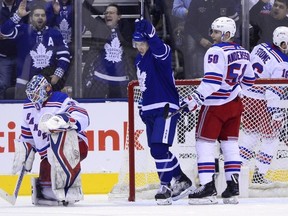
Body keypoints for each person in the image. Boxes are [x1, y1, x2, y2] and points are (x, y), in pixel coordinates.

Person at [182, 17, 255, 205]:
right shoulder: (244, 52)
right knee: (230, 146)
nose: (212, 35)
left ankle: (207, 187)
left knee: (204, 144)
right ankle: (232, 187)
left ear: (227, 34)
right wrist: (233, 90)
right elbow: (249, 82)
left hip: (215, 106)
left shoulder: (215, 51)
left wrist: (194, 99)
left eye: (216, 32)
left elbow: (212, 82)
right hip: (235, 104)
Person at [132, 18, 193, 205]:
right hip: (150, 108)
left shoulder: (161, 54)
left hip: (165, 107)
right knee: (156, 151)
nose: (140, 47)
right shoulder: (139, 59)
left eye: (143, 43)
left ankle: (165, 186)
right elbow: (145, 85)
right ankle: (181, 179)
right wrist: (142, 106)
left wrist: (152, 34)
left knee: (159, 149)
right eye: (137, 44)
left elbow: (158, 47)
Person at [12, 73, 89, 205]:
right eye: (31, 95)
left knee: (58, 153)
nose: (33, 98)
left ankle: (69, 188)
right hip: (49, 152)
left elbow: (83, 115)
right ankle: (53, 189)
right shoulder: (28, 106)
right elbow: (27, 136)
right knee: (47, 176)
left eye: (36, 94)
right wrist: (25, 150)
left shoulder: (60, 99)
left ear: (46, 88)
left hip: (74, 144)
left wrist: (63, 119)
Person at [239, 26, 288, 184]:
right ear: (283, 43)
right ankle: (259, 175)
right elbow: (272, 92)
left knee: (250, 135)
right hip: (263, 101)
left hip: (245, 97)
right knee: (271, 139)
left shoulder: (260, 47)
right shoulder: (283, 63)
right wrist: (276, 114)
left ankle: (236, 172)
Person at [1, 0, 70, 99]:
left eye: (43, 15)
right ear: (30, 18)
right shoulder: (23, 30)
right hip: (24, 82)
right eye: (37, 15)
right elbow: (4, 31)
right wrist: (18, 15)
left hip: (48, 84)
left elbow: (65, 56)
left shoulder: (55, 34)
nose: (40, 18)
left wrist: (57, 75)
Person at [82, 1, 136, 98]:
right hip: (99, 82)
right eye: (106, 13)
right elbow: (83, 13)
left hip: (122, 83)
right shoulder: (98, 27)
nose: (108, 15)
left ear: (119, 17)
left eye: (111, 13)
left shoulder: (127, 30)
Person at [183, 0, 240, 79]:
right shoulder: (196, 2)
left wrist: (225, 41)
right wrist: (200, 39)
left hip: (224, 48)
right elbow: (189, 25)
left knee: (225, 76)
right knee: (203, 77)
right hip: (203, 45)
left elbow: (235, 23)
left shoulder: (227, 2)